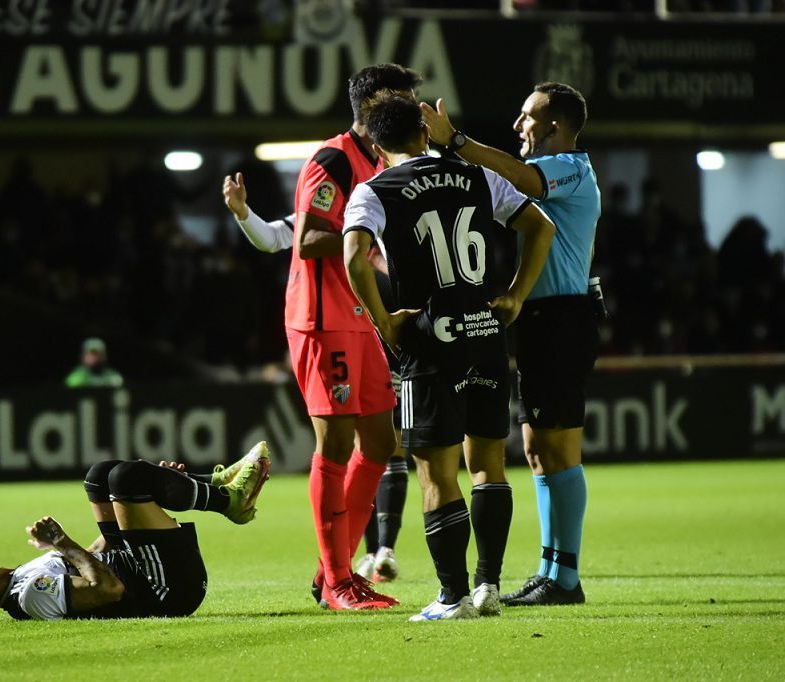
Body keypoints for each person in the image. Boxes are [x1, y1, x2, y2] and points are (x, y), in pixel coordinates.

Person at [342, 93, 555, 620]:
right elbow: (541, 226)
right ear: (424, 130)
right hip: (485, 336)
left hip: (428, 344)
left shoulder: (374, 190)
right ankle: (488, 587)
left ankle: (451, 595)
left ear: (373, 142)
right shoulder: (477, 176)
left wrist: (384, 320)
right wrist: (514, 295)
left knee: (437, 473)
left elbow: (353, 256)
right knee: (487, 466)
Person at [223, 63, 424, 610]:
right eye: (402, 99)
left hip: (360, 316)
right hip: (322, 317)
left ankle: (330, 571)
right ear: (373, 104)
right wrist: (372, 247)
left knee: (381, 444)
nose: (413, 108)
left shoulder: (381, 161)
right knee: (335, 444)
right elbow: (309, 239)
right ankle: (338, 580)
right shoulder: (333, 159)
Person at [422, 82, 601, 606]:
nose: (520, 125)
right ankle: (550, 569)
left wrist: (456, 141)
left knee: (561, 448)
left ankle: (565, 578)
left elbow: (520, 178)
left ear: (554, 126)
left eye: (527, 116)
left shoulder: (570, 165)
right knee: (537, 448)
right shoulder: (556, 171)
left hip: (564, 318)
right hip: (544, 318)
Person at [224, 177, 409, 586]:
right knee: (358, 445)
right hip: (337, 329)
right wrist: (242, 214)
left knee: (384, 442)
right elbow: (274, 237)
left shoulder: (379, 206)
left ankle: (365, 555)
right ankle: (345, 567)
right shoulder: (332, 219)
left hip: (373, 326)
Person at [0, 442, 271, 621]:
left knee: (100, 475)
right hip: (165, 588)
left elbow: (94, 558)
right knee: (124, 480)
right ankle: (229, 500)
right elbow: (108, 588)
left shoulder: (20, 577)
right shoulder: (29, 596)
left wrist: (150, 495)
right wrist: (61, 542)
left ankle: (209, 484)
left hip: (146, 565)